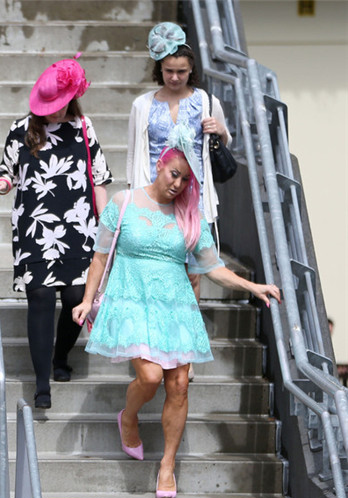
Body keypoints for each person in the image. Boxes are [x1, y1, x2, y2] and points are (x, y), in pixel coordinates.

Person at [71, 125, 281, 498]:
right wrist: (87, 300)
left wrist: (253, 286)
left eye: (185, 180)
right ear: (160, 165)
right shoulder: (124, 203)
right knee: (150, 377)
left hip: (175, 306)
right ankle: (129, 418)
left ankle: (167, 465)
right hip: (130, 297)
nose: (178, 184)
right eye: (174, 174)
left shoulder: (190, 216)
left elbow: (212, 268)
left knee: (179, 385)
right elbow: (100, 257)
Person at [0, 55, 112, 409]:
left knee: (74, 299)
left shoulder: (84, 128)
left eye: (59, 106)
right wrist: (0, 185)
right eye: (48, 106)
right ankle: (42, 383)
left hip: (79, 227)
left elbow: (100, 178)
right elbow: (7, 172)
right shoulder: (22, 128)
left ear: (73, 98)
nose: (53, 113)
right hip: (35, 225)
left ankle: (60, 357)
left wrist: (104, 222)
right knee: (40, 297)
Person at [128, 23, 232, 381]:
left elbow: (224, 138)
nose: (175, 77)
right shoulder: (142, 105)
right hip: (157, 197)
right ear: (159, 69)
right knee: (155, 273)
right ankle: (151, 342)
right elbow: (134, 156)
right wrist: (137, 201)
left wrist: (218, 130)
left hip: (194, 198)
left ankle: (184, 345)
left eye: (181, 71)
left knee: (192, 273)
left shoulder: (205, 100)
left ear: (191, 71)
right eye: (169, 71)